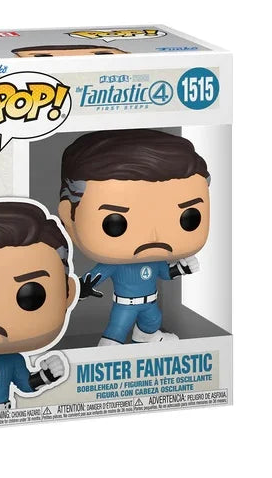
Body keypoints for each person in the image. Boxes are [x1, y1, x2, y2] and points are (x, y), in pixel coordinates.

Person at [58, 129, 210, 346]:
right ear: (69, 216)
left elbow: (165, 273)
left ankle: (146, 336)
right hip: (125, 305)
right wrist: (80, 288)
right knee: (117, 328)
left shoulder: (156, 259)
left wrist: (181, 269)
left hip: (151, 304)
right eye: (115, 222)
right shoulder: (113, 265)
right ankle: (109, 348)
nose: (154, 236)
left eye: (189, 218)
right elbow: (94, 278)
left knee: (153, 321)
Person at [0, 199, 77, 411]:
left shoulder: (13, 359)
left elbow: (26, 385)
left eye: (30, 295)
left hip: (4, 414)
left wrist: (47, 375)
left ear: (68, 294)